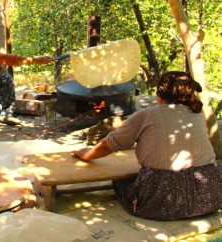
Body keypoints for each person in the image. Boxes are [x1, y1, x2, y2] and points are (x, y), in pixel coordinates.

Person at [73, 71, 222, 221]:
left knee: (121, 182)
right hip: (209, 195)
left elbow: (108, 145)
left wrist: (87, 154)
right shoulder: (197, 114)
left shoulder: (147, 115)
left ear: (159, 95)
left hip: (164, 203)